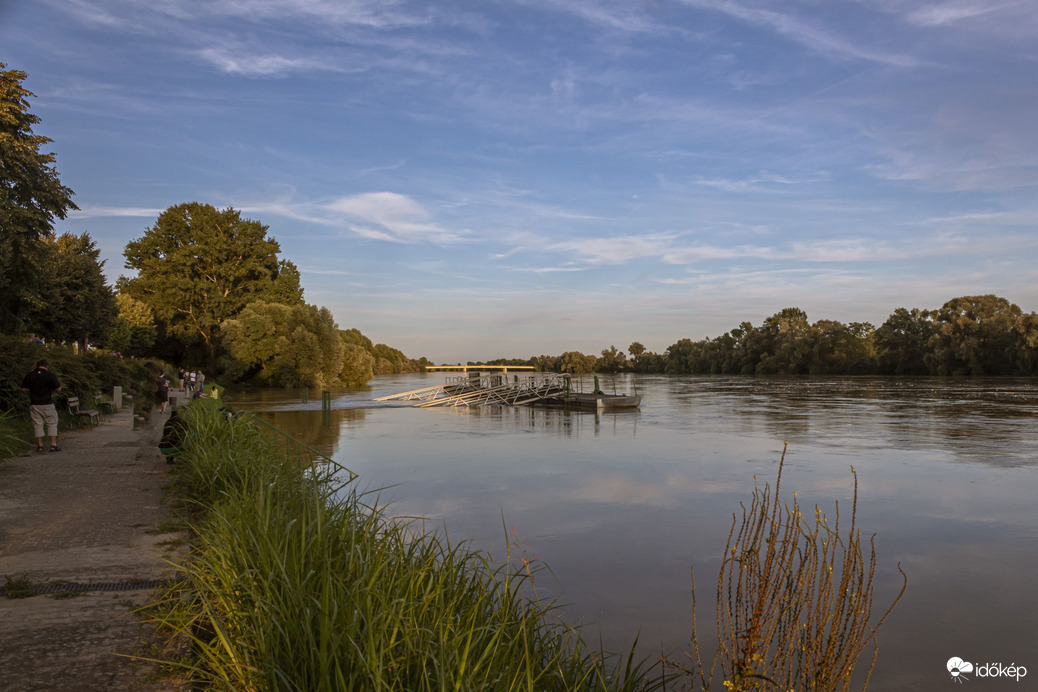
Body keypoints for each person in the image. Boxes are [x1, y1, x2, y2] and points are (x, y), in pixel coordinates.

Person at [20, 359, 62, 453]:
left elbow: (23, 388)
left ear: (37, 366)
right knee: (51, 423)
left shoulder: (30, 375)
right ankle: (53, 445)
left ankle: (40, 446)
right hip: (48, 403)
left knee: (37, 424)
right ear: (46, 366)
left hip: (35, 403)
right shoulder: (50, 375)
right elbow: (58, 388)